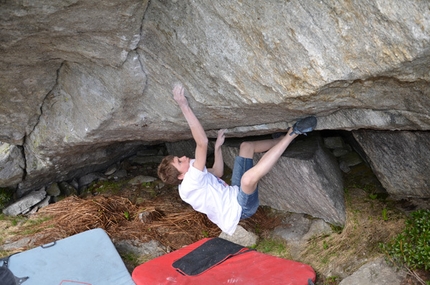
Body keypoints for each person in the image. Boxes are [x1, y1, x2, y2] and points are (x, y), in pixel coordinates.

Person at [157, 83, 317, 235]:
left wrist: (218, 148)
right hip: (241, 208)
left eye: (179, 158)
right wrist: (183, 105)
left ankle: (279, 140)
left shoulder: (191, 175)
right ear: (181, 176)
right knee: (247, 179)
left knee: (246, 147)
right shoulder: (189, 185)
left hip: (234, 192)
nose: (184, 158)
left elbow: (217, 172)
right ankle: (294, 132)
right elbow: (202, 142)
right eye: (180, 162)